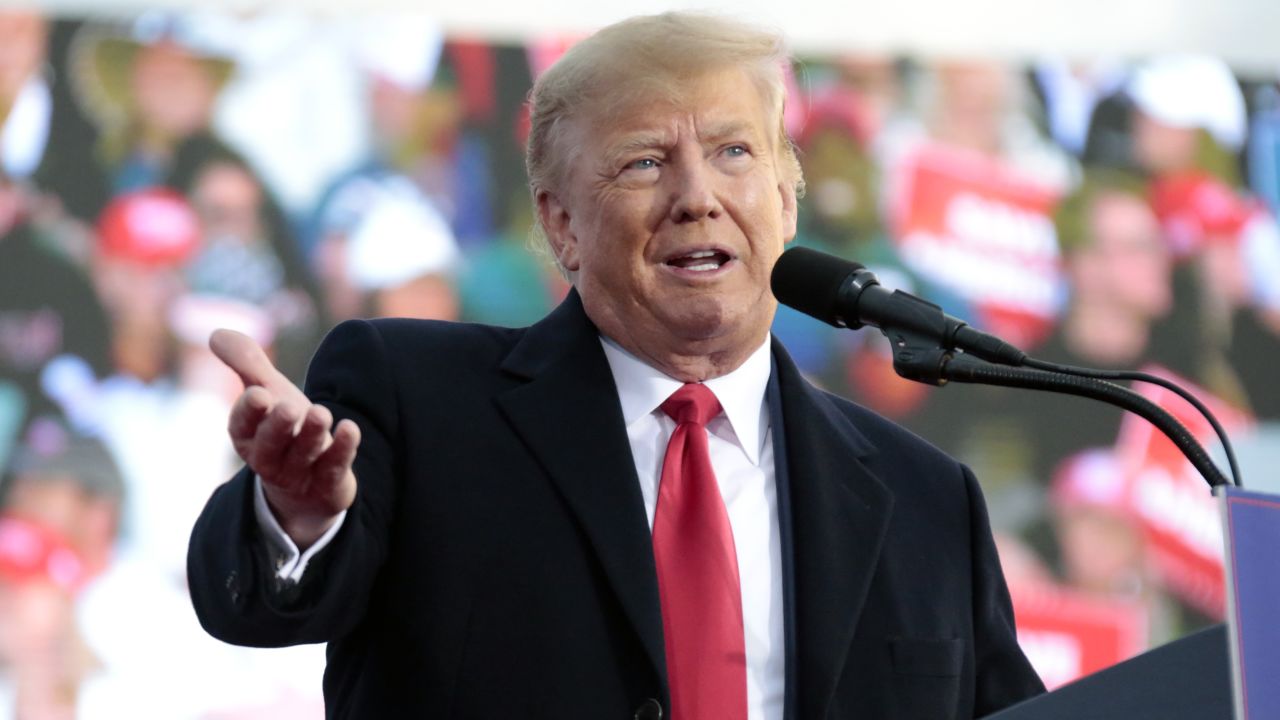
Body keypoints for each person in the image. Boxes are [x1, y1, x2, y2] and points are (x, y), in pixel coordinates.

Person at [187, 13, 1043, 719]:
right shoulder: (415, 397)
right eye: (644, 161)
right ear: (561, 226)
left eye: (735, 152)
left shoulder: (928, 500)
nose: (698, 195)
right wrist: (297, 522)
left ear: (787, 200)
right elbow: (258, 604)